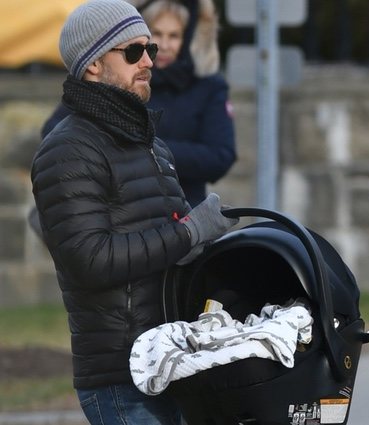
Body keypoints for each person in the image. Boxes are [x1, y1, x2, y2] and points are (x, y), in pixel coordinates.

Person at [30, 0, 238, 423]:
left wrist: (212, 246)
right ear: (91, 64)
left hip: (173, 361)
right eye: (132, 52)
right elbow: (90, 260)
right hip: (123, 379)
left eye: (150, 51)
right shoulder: (66, 149)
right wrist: (187, 233)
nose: (148, 61)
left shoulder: (151, 143)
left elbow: (175, 248)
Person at [41, 0, 236, 207]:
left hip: (187, 207)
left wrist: (144, 150)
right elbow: (55, 131)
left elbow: (220, 156)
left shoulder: (207, 86)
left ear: (188, 38)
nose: (165, 46)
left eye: (174, 36)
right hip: (122, 209)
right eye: (157, 35)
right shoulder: (119, 83)